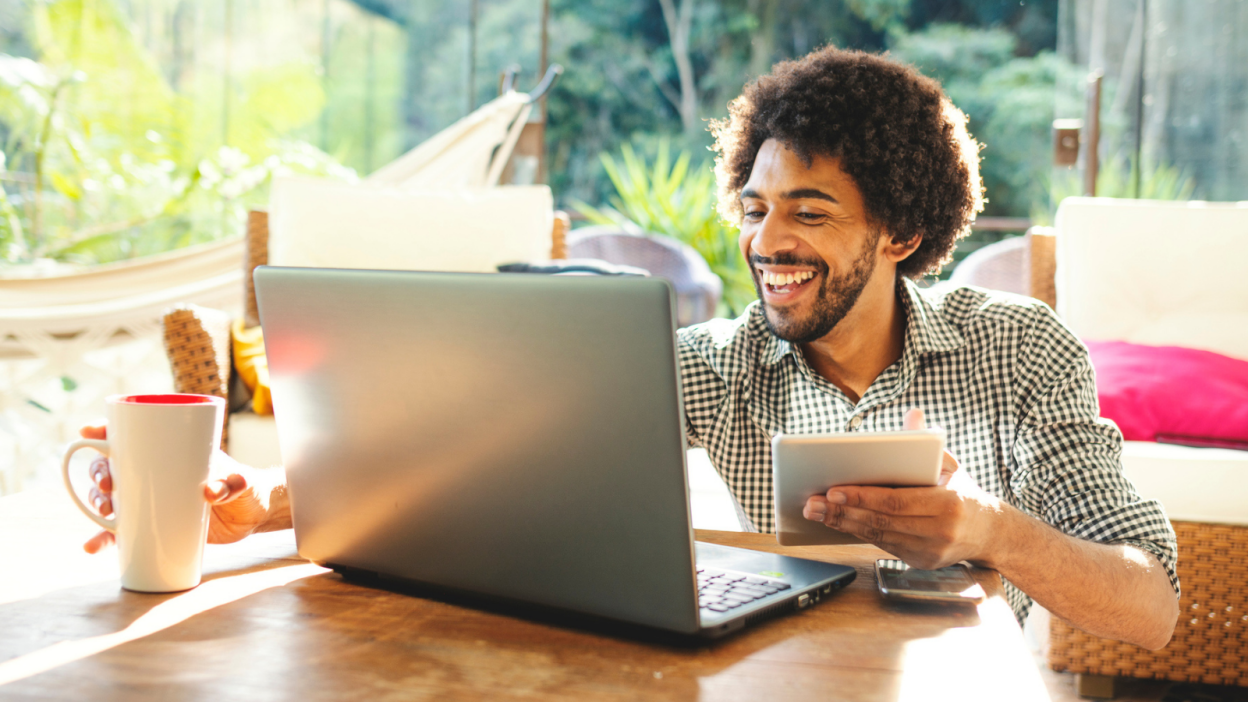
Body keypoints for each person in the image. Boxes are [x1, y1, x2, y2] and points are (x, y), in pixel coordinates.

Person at [81, 46, 1179, 649]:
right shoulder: (712, 362)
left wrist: (986, 528)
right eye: (753, 208)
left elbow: (1152, 604)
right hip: (780, 671)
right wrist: (259, 499)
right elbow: (475, 457)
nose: (765, 243)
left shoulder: (1021, 352)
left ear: (900, 230)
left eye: (808, 211)